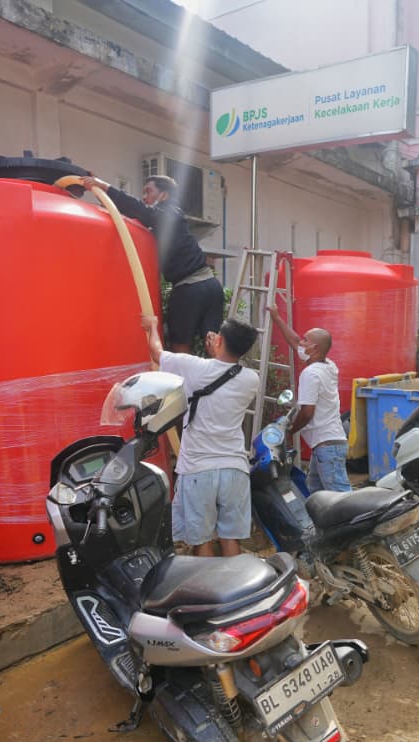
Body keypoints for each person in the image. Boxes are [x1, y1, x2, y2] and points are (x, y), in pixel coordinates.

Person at [143, 315, 260, 556]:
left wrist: (151, 327)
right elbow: (221, 374)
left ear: (220, 341)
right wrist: (217, 352)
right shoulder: (251, 379)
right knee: (230, 539)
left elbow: (157, 353)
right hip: (234, 469)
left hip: (198, 470)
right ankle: (236, 589)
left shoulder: (194, 367)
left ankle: (208, 591)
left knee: (202, 541)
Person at [82, 174, 223, 354]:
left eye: (149, 191)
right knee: (213, 343)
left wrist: (106, 187)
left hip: (190, 289)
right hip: (211, 285)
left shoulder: (168, 213)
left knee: (180, 344)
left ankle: (182, 382)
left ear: (164, 195)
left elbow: (142, 211)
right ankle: (224, 379)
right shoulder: (171, 217)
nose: (144, 196)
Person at [266, 296, 351, 493]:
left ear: (314, 349)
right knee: (314, 492)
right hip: (327, 443)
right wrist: (277, 318)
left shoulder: (310, 374)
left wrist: (290, 432)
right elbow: (295, 341)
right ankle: (320, 524)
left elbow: (307, 413)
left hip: (327, 446)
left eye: (306, 340)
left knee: (341, 497)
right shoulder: (329, 365)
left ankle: (361, 524)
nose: (301, 342)